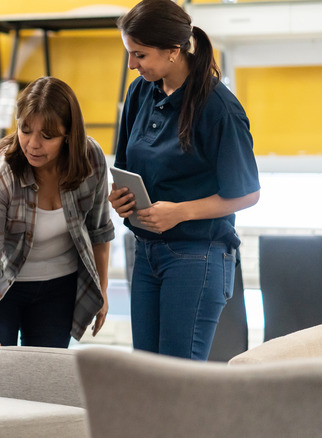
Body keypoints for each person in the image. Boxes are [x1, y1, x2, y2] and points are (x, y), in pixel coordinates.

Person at [110, 0, 260, 360]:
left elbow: (248, 193)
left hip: (197, 256)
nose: (132, 64)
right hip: (145, 252)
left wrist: (180, 212)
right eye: (130, 54)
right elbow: (125, 166)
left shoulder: (219, 108)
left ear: (174, 51)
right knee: (146, 374)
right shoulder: (139, 92)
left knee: (178, 381)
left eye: (140, 55)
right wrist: (120, 199)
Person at [0, 76, 114, 352]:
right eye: (25, 130)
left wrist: (103, 291)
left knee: (44, 378)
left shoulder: (91, 159)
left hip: (59, 288)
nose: (33, 144)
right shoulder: (0, 175)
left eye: (47, 136)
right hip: (3, 287)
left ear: (68, 135)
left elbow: (99, 231)